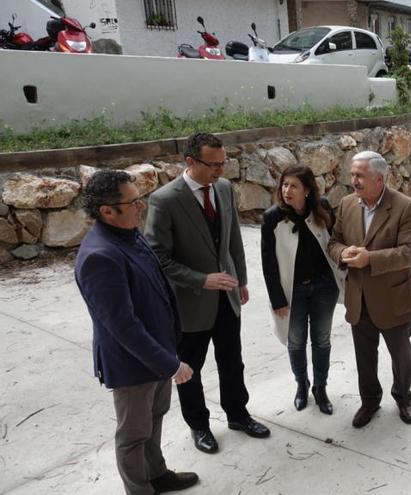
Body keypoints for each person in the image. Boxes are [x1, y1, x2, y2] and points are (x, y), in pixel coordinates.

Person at [145, 132, 270, 455]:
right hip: (190, 303)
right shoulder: (165, 200)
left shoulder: (225, 189)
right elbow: (157, 257)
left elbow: (232, 241)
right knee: (190, 370)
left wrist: (240, 279)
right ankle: (198, 425)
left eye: (223, 163)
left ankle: (238, 415)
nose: (220, 171)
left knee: (232, 362)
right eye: (213, 165)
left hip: (226, 297)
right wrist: (201, 280)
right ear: (190, 162)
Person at [75, 170, 199, 494]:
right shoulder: (99, 257)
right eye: (133, 202)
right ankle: (139, 489)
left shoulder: (129, 232)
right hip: (133, 365)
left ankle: (157, 475)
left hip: (157, 353)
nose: (141, 207)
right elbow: (122, 326)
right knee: (132, 436)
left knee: (155, 419)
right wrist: (171, 364)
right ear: (107, 210)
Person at [327, 150, 411, 428]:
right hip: (359, 299)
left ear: (379, 179)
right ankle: (369, 401)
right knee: (364, 357)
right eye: (352, 174)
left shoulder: (405, 207)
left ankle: (403, 398)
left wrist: (371, 259)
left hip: (394, 299)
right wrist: (344, 253)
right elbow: (333, 242)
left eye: (360, 175)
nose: (353, 180)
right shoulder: (346, 204)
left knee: (400, 356)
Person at [260, 165, 345, 414]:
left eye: (294, 185)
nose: (287, 190)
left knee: (321, 340)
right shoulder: (273, 217)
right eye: (284, 185)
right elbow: (269, 263)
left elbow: (336, 241)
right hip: (292, 291)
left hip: (323, 288)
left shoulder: (323, 208)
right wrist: (277, 299)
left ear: (307, 190)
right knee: (295, 342)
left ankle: (320, 387)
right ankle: (301, 385)